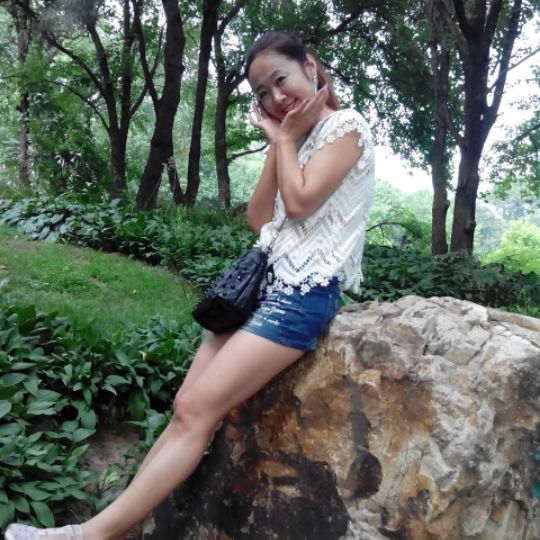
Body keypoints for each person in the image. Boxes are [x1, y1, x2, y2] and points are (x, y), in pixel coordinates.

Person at [6, 30, 375, 540]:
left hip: (300, 296)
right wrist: (281, 143)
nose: (275, 97)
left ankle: (86, 537)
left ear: (310, 67)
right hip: (258, 290)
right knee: (186, 407)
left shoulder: (346, 126)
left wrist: (285, 139)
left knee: (199, 410)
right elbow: (258, 218)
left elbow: (299, 203)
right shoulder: (294, 135)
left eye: (281, 79)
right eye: (262, 92)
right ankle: (111, 527)